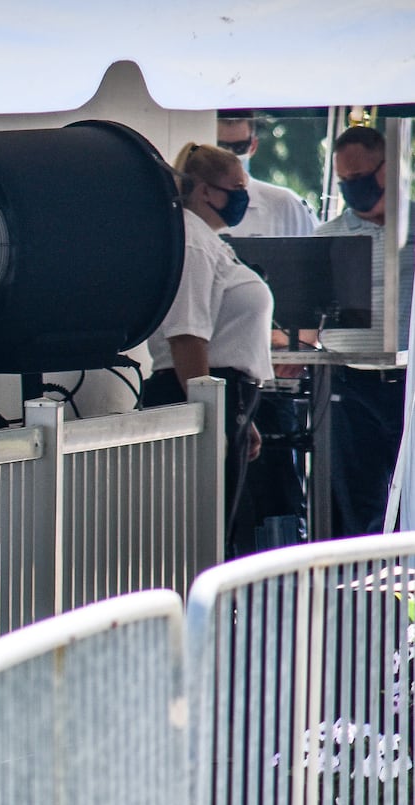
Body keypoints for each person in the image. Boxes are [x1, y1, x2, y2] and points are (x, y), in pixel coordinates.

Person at [143, 142, 274, 555]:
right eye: (235, 187)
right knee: (204, 533)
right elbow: (187, 337)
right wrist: (211, 419)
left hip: (223, 393)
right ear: (203, 190)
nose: (243, 196)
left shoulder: (209, 241)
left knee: (224, 528)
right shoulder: (192, 241)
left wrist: (240, 418)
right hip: (199, 390)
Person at [216, 110, 319, 551]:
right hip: (222, 375)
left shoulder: (283, 206)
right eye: (221, 151)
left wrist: (291, 342)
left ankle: (277, 602)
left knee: (276, 501)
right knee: (222, 509)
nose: (231, 160)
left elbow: (313, 296)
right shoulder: (194, 230)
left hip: (273, 382)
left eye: (237, 150)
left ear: (253, 146)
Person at [316, 125, 414, 536]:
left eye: (359, 178)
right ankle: (357, 590)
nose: (351, 188)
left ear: (387, 169)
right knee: (353, 500)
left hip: (408, 384)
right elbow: (307, 316)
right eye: (344, 181)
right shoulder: (327, 238)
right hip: (349, 384)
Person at [215, 110, 317, 238]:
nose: (230, 155)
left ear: (253, 146)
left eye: (239, 147)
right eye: (221, 147)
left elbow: (314, 254)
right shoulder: (191, 206)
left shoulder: (286, 205)